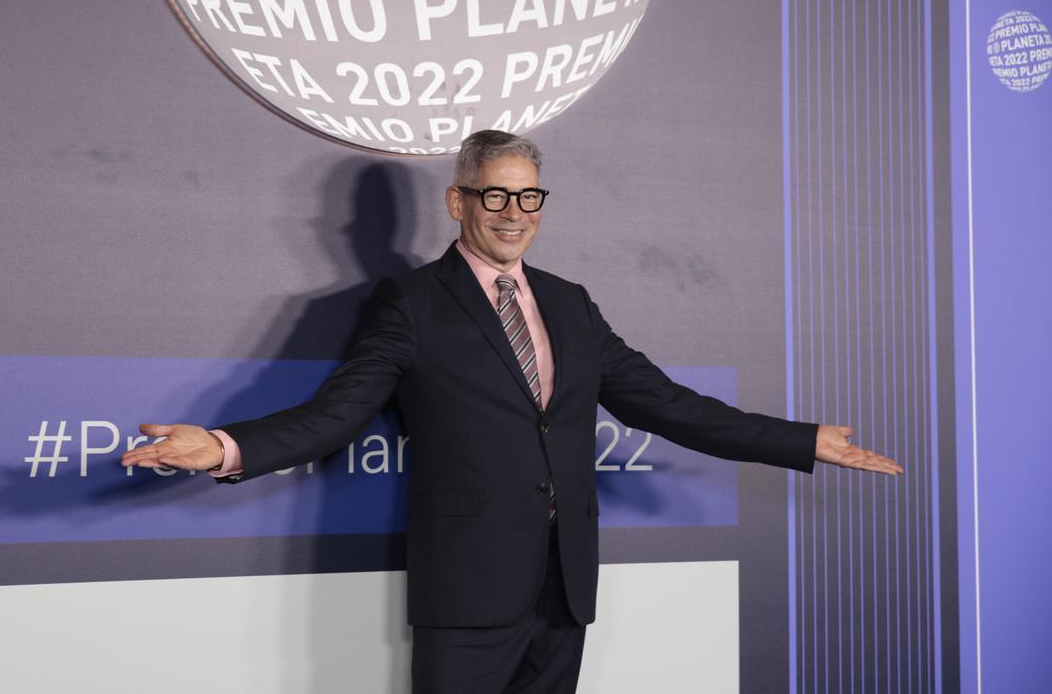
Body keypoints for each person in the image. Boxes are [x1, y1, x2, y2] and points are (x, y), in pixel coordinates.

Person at [120, 129, 902, 693]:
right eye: (495, 194)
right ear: (459, 200)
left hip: (564, 588)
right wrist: (225, 445)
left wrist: (799, 440)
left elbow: (666, 404)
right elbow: (338, 412)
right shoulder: (413, 302)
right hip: (467, 589)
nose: (513, 211)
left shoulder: (569, 303)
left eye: (529, 195)